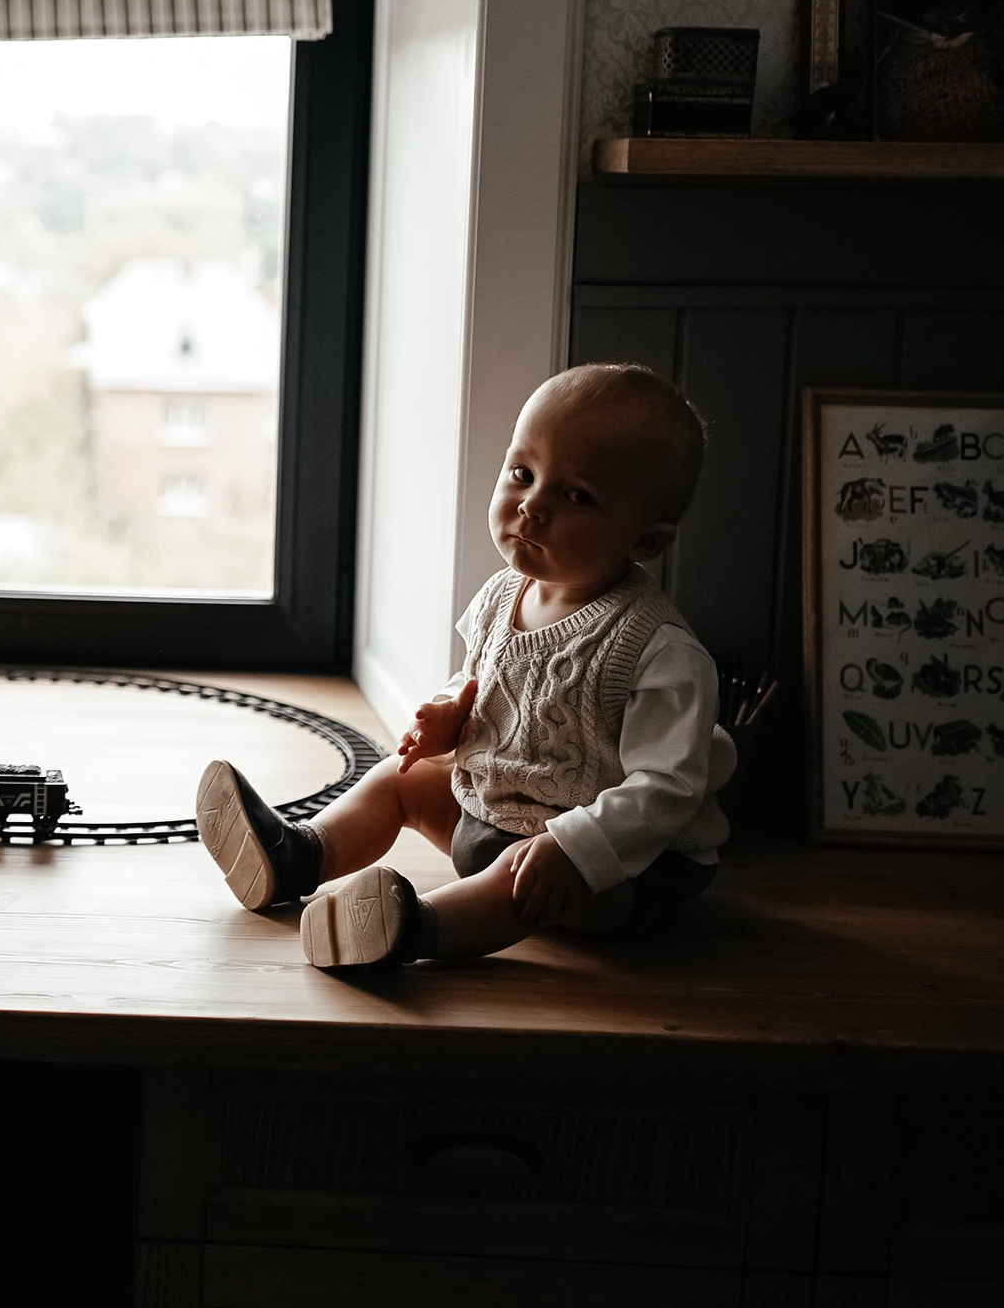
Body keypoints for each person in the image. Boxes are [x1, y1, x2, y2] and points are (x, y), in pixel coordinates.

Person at [195, 363, 732, 968]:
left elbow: (666, 790)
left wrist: (574, 848)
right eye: (523, 474)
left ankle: (413, 930)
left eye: (576, 496)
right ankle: (296, 856)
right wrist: (451, 713)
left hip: (622, 868)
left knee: (516, 876)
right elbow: (486, 680)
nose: (531, 506)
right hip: (494, 812)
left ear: (645, 542)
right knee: (400, 779)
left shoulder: (658, 650)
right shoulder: (502, 594)